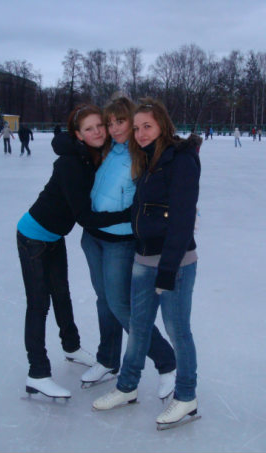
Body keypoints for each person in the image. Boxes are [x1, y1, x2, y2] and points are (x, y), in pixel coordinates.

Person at [93, 98, 202, 430]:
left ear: (163, 125)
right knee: (138, 328)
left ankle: (186, 396)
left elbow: (182, 219)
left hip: (175, 263)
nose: (140, 133)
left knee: (177, 331)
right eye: (137, 127)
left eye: (147, 126)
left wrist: (168, 269)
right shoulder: (146, 158)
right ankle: (127, 387)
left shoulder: (181, 159)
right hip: (143, 257)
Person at [17, 104, 131, 399]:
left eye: (99, 126)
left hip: (54, 237)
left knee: (62, 294)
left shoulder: (93, 154)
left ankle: (71, 346)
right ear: (78, 135)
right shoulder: (70, 163)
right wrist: (129, 215)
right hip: (33, 236)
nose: (98, 132)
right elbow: (85, 217)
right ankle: (37, 373)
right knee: (39, 304)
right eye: (89, 129)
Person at [80, 96, 177, 398]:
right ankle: (108, 360)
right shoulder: (109, 149)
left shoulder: (142, 155)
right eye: (110, 122)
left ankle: (167, 362)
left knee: (120, 305)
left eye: (120, 121)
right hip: (93, 238)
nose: (114, 128)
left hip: (119, 242)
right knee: (104, 301)